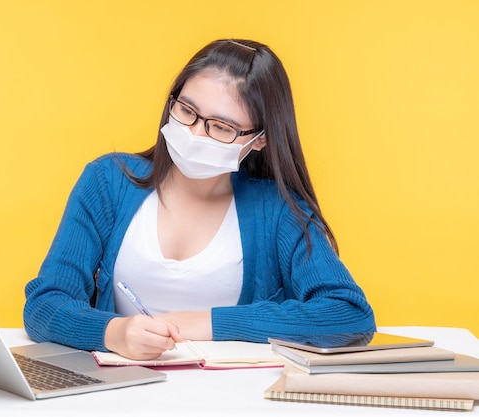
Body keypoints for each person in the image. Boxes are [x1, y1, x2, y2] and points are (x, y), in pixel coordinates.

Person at [23, 38, 376, 360]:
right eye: (186, 111)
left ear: (260, 139)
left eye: (221, 128)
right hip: (117, 394)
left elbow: (349, 314)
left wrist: (205, 323)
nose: (194, 134)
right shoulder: (108, 181)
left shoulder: (277, 209)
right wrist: (113, 331)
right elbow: (44, 305)